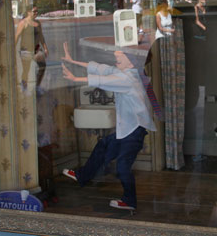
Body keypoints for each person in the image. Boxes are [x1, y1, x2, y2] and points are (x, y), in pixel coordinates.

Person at [61, 42, 155, 211]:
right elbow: (101, 69)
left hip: (134, 131)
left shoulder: (128, 79)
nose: (116, 56)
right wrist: (73, 61)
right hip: (127, 129)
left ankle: (129, 201)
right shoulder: (126, 72)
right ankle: (83, 175)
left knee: (122, 167)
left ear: (132, 62)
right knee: (103, 145)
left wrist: (75, 79)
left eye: (121, 55)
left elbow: (102, 79)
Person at [15, 5, 48, 95]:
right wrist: (12, 50)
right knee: (26, 70)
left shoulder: (38, 23)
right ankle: (24, 87)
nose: (36, 13)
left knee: (42, 66)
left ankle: (37, 86)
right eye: (34, 11)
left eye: (37, 11)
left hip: (37, 50)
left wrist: (45, 48)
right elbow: (17, 37)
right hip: (26, 50)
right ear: (28, 12)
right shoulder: (23, 23)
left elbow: (41, 36)